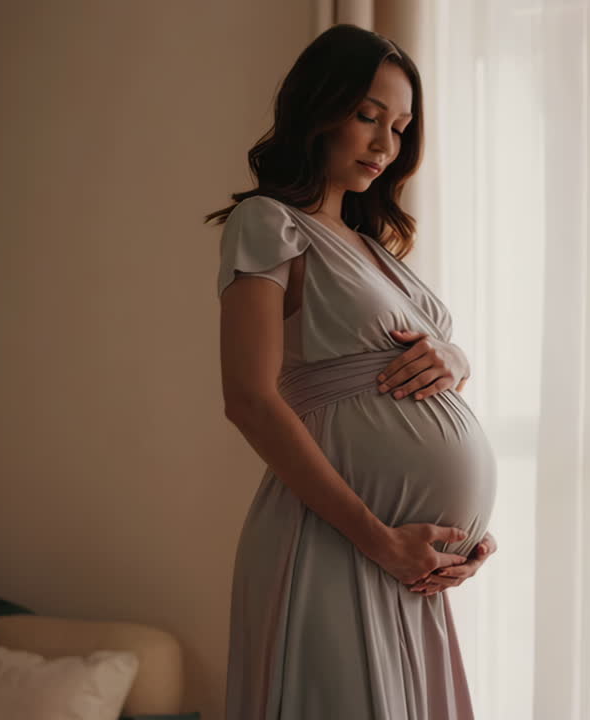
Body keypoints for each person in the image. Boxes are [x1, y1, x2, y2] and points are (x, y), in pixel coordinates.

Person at [206, 24, 499, 719]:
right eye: (369, 116)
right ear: (320, 105)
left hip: (409, 567)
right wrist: (381, 539)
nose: (384, 144)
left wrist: (456, 359)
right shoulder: (268, 222)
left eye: (399, 127)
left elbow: (408, 367)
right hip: (339, 542)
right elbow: (248, 398)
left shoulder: (372, 247)